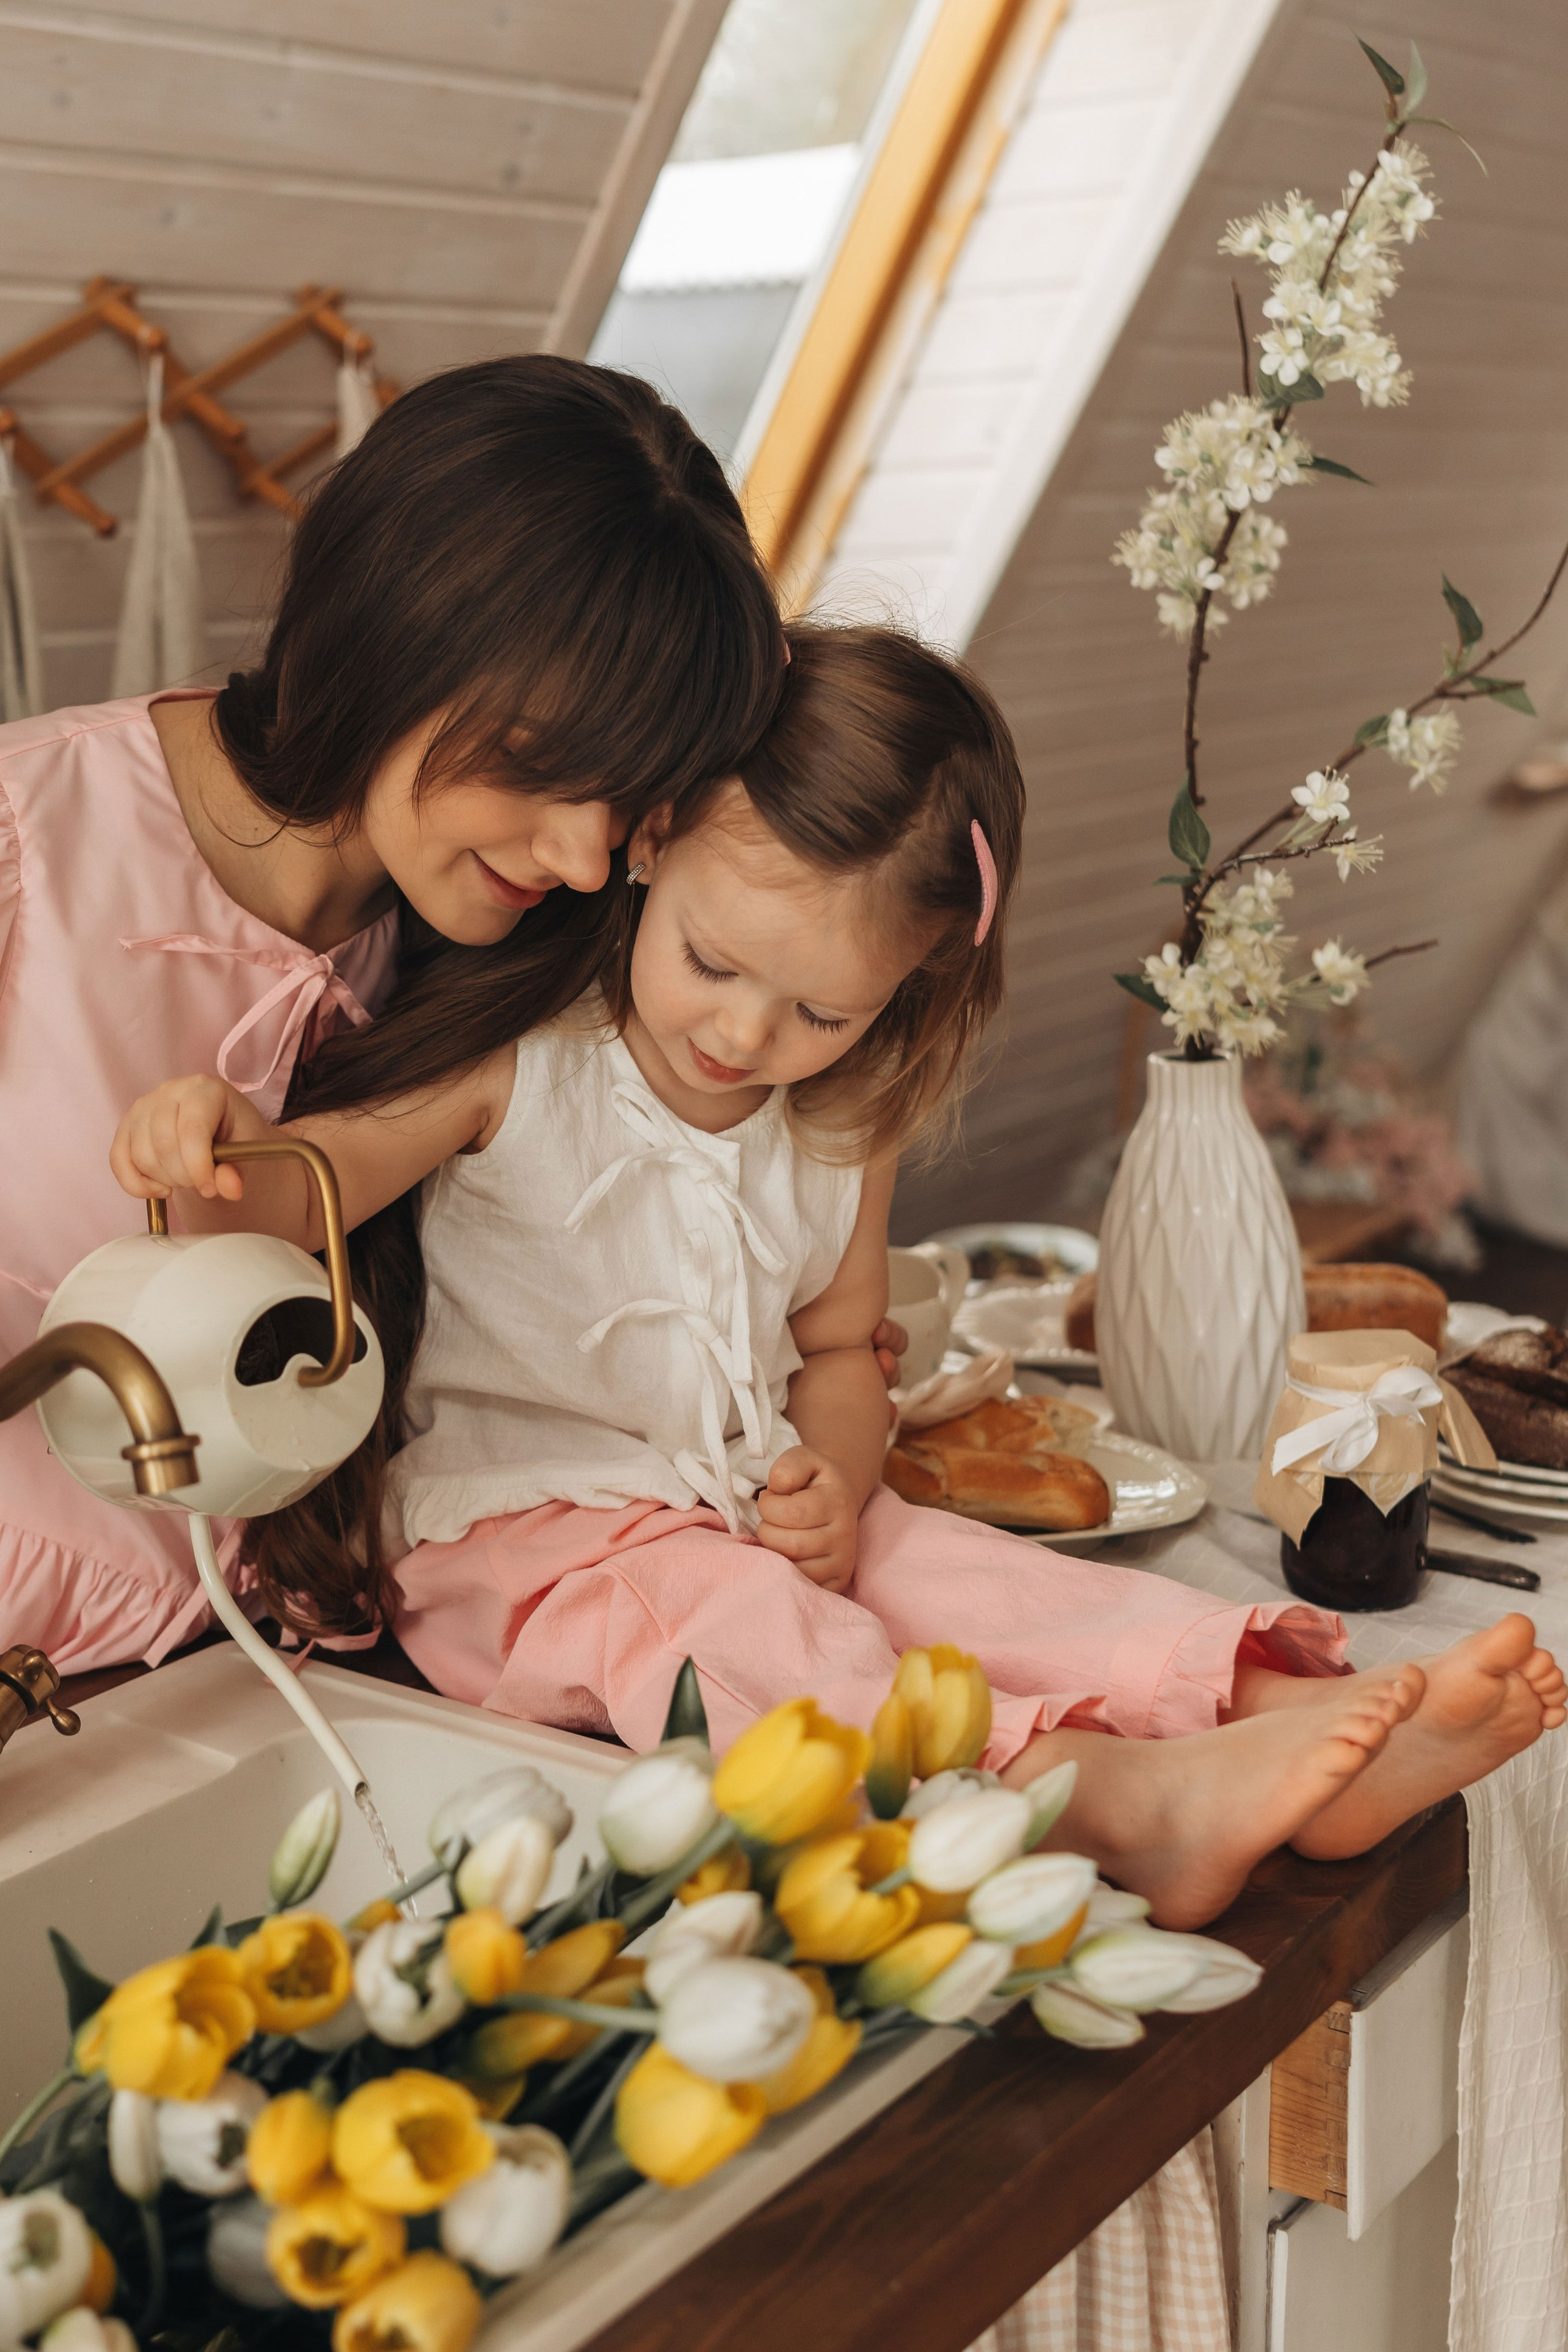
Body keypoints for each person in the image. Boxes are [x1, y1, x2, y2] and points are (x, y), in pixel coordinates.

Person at [117, 625, 1567, 1928]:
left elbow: (836, 1347)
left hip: (743, 1502)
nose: (746, 1036)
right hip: (518, 1555)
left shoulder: (837, 1124)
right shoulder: (524, 1066)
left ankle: (1281, 1713)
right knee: (751, 1630)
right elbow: (302, 1191)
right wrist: (209, 1144)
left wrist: (837, 1465)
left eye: (819, 1011)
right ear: (650, 844)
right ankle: (1109, 1805)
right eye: (712, 963)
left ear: (910, 983)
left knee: (954, 1568)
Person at [0, 357, 790, 1799]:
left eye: (627, 797)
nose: (584, 859)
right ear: (391, 637)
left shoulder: (503, 948)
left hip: (242, 1672)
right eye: (539, 767)